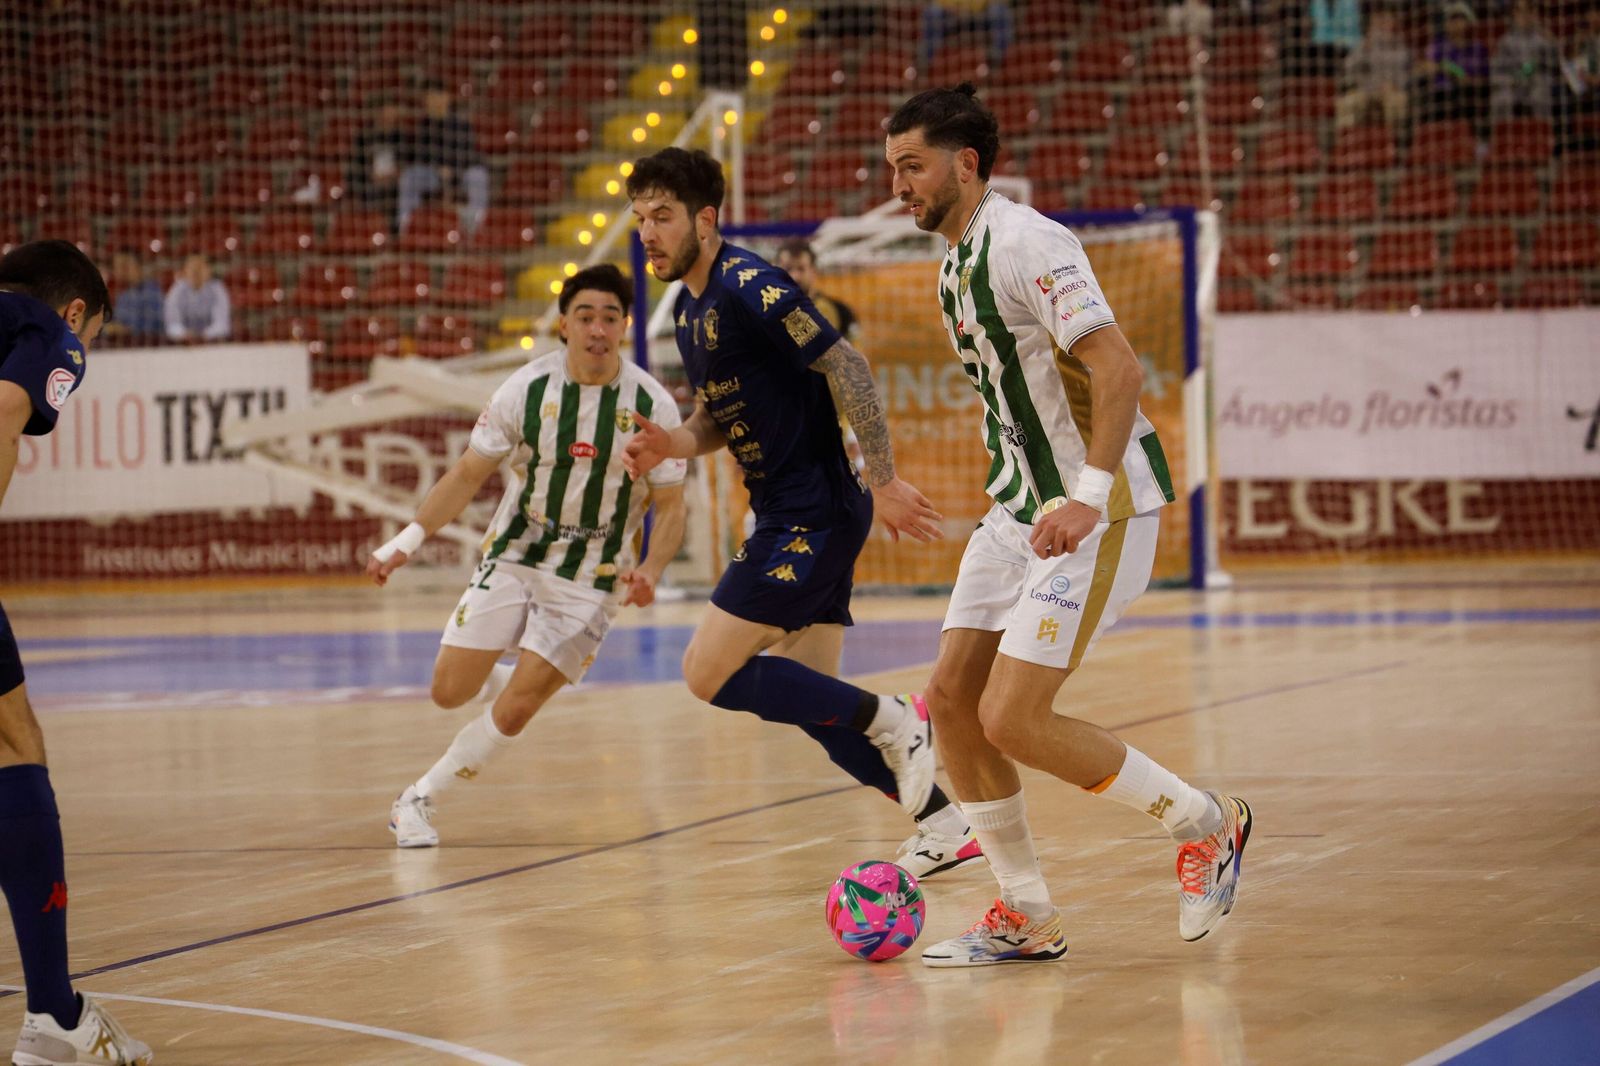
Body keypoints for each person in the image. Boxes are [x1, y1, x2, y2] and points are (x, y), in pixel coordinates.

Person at [882, 85, 1252, 966]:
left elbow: (1117, 368)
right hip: (1016, 509)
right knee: (955, 708)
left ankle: (1207, 823)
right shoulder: (953, 260)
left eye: (911, 165)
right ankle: (1027, 913)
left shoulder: (1027, 243)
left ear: (965, 165)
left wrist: (1086, 495)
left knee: (1013, 717)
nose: (897, 184)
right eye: (892, 166)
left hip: (1098, 507)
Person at [621, 148, 985, 880]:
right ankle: (943, 822)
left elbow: (847, 364)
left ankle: (899, 719)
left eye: (661, 216)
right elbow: (715, 419)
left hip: (811, 515)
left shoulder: (749, 283)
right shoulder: (691, 312)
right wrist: (675, 440)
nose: (648, 234)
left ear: (705, 218)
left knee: (706, 672)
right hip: (797, 515)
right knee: (815, 706)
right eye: (638, 220)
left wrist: (881, 480)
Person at [372, 265, 687, 847]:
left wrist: (650, 570)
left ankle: (416, 800)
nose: (598, 329)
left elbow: (670, 507)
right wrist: (404, 543)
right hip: (516, 551)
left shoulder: (651, 403)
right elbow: (467, 473)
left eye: (610, 318)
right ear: (564, 325)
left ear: (624, 326)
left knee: (518, 711)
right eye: (586, 317)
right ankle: (499, 673)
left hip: (592, 574)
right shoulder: (525, 389)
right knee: (448, 692)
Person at [0, 240, 153, 1064]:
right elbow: (2, 418)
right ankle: (55, 1018)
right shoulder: (51, 334)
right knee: (16, 745)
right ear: (76, 313)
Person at [774, 238, 864, 473]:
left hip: (831, 426)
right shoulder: (762, 316)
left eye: (800, 268)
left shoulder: (838, 313)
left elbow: (855, 373)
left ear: (813, 271)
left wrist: (856, 430)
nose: (794, 276)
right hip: (781, 427)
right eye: (787, 269)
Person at [397, 82, 489, 237]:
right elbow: (419, 155)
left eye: (438, 96)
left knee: (478, 175)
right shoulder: (423, 126)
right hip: (433, 175)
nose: (434, 101)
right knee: (409, 176)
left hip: (460, 173)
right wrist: (437, 168)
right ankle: (406, 224)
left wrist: (453, 170)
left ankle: (476, 226)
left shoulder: (461, 125)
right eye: (430, 97)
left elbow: (470, 154)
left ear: (447, 98)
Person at [1336, 6, 1413, 128]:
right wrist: (1364, 47)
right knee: (1346, 103)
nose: (1381, 25)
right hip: (1364, 91)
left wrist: (1394, 85)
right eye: (1378, 21)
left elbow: (1406, 75)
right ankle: (1347, 143)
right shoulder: (1363, 45)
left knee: (1397, 101)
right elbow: (1348, 67)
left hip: (1391, 91)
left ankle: (1394, 142)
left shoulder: (1399, 47)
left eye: (1386, 21)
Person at [1421, 2, 1490, 128]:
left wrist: (1465, 79)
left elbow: (1485, 79)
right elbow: (1425, 66)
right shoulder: (1438, 46)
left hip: (1469, 96)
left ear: (1469, 22)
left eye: (1460, 18)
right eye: (1452, 19)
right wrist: (1444, 68)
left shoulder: (1479, 48)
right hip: (1440, 95)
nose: (1456, 23)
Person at [1490, 0, 1559, 122]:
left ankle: (1543, 134)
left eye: (1528, 11)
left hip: (1537, 84)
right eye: (1520, 11)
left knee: (1540, 94)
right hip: (1513, 84)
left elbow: (1554, 65)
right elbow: (1497, 71)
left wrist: (1551, 41)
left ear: (1534, 13)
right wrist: (1513, 79)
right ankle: (1502, 137)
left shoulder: (1543, 39)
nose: (1524, 15)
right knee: (1501, 98)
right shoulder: (1505, 41)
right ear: (1514, 13)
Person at [347, 100, 408, 224]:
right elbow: (358, 164)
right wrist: (371, 174)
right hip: (370, 181)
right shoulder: (364, 136)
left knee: (400, 191)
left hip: (393, 181)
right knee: (366, 190)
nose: (389, 116)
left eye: (392, 112)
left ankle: (395, 231)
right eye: (386, 112)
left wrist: (395, 174)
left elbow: (405, 161)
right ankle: (369, 225)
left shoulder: (400, 137)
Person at [163, 254, 230, 343]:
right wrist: (184, 333)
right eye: (192, 268)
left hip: (212, 343)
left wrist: (205, 335)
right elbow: (172, 325)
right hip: (183, 344)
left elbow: (222, 324)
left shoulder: (217, 289)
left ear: (209, 270)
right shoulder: (177, 290)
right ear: (185, 271)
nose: (196, 272)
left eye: (200, 267)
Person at [108, 252, 163, 344]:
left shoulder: (153, 291)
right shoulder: (124, 296)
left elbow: (153, 326)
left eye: (125, 265)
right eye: (117, 267)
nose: (121, 270)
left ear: (139, 266)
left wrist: (126, 329)